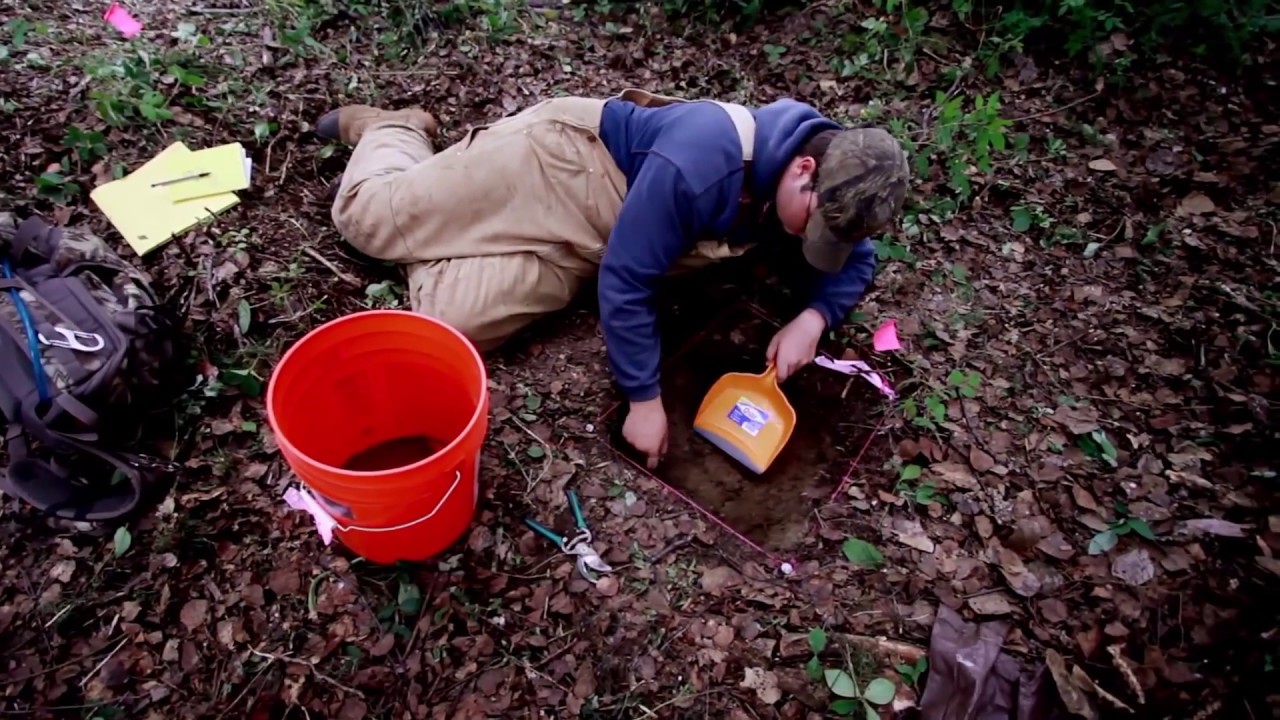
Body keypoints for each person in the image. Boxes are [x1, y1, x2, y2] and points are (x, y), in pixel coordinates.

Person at [314, 89, 909, 469]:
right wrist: (644, 401)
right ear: (803, 170)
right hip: (558, 167)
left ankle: (452, 230)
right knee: (366, 222)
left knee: (445, 326)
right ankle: (392, 130)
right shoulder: (704, 161)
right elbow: (627, 283)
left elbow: (854, 258)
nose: (812, 241)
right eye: (812, 227)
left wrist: (813, 317)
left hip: (597, 239)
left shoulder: (826, 196)